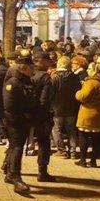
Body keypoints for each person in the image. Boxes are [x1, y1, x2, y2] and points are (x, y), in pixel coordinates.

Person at [2, 52, 37, 194]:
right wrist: (23, 116)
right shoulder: (13, 82)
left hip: (23, 120)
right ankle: (15, 176)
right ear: (24, 68)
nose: (33, 70)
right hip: (16, 121)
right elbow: (10, 105)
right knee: (16, 148)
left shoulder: (26, 81)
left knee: (15, 147)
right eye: (31, 67)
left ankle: (10, 173)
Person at [75, 62, 100, 168]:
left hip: (89, 113)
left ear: (94, 70)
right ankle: (93, 160)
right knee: (96, 139)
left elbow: (83, 96)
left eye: (89, 69)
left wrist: (78, 92)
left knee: (83, 136)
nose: (87, 70)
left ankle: (83, 159)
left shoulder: (91, 82)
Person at [32, 52, 57, 181]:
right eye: (48, 61)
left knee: (17, 142)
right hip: (41, 115)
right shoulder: (45, 78)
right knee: (43, 143)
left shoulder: (30, 74)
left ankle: (8, 165)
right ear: (42, 61)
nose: (50, 63)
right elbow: (45, 99)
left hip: (26, 112)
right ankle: (42, 171)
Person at [51, 56, 81, 158]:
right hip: (71, 107)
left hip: (56, 108)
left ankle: (61, 150)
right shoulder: (75, 77)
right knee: (71, 130)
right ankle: (73, 151)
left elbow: (51, 92)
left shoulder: (55, 77)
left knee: (56, 129)